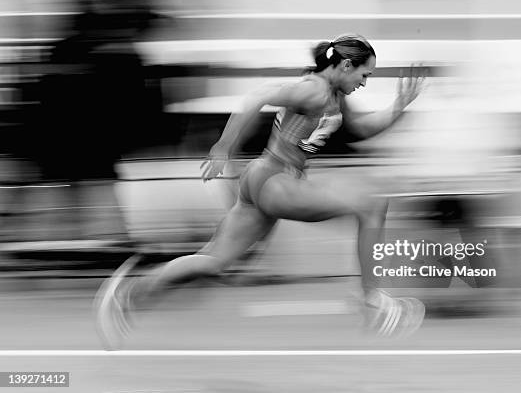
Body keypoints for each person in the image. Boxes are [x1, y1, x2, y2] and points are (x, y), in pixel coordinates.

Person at [96, 34, 427, 349]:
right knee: (371, 205)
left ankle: (129, 295)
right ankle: (372, 300)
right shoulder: (313, 90)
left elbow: (362, 130)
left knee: (214, 262)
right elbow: (259, 96)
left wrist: (398, 106)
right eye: (364, 74)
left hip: (263, 180)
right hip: (276, 180)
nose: (364, 82)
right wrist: (223, 148)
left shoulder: (335, 96)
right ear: (344, 66)